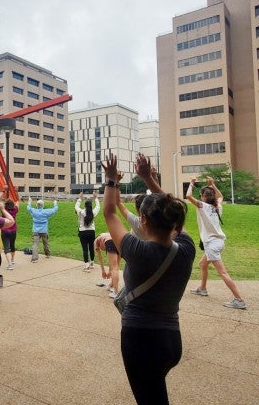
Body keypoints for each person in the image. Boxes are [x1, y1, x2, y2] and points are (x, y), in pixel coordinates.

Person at [102, 153, 195, 405]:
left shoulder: (138, 251)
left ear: (142, 220)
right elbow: (173, 210)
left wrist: (111, 180)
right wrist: (148, 178)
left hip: (142, 341)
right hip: (171, 342)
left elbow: (109, 213)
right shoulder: (186, 248)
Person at [186, 177, 247, 309]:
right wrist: (212, 184)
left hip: (212, 245)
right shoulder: (217, 206)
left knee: (223, 273)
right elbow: (220, 196)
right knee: (202, 264)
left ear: (203, 197)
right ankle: (202, 289)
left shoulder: (202, 206)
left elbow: (188, 195)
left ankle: (239, 299)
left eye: (201, 195)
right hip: (219, 241)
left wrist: (191, 183)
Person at [27, 197, 58, 263]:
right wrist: (55, 203)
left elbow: (28, 208)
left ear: (37, 205)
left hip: (35, 230)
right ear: (43, 205)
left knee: (35, 244)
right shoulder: (46, 212)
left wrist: (29, 201)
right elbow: (55, 209)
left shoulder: (34, 211)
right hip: (44, 230)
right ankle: (48, 254)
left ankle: (34, 259)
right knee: (46, 243)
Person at [75, 191, 100, 272]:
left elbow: (76, 206)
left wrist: (80, 198)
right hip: (91, 232)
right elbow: (98, 207)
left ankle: (86, 266)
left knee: (85, 249)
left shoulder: (81, 212)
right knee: (91, 247)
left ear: (85, 206)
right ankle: (92, 263)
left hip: (83, 232)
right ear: (90, 206)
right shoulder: (93, 212)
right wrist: (95, 198)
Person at [94, 232, 121, 298]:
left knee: (114, 268)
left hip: (111, 242)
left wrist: (103, 271)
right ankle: (111, 285)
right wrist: (109, 271)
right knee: (116, 266)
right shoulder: (105, 235)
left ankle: (116, 292)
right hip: (120, 241)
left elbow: (100, 257)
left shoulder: (95, 241)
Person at [0, 197, 20, 270]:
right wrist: (16, 193)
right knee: (12, 246)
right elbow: (17, 201)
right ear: (12, 204)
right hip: (13, 231)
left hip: (5, 231)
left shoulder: (3, 210)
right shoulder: (15, 209)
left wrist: (3, 192)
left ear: (6, 205)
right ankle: (12, 260)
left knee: (6, 247)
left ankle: (10, 264)